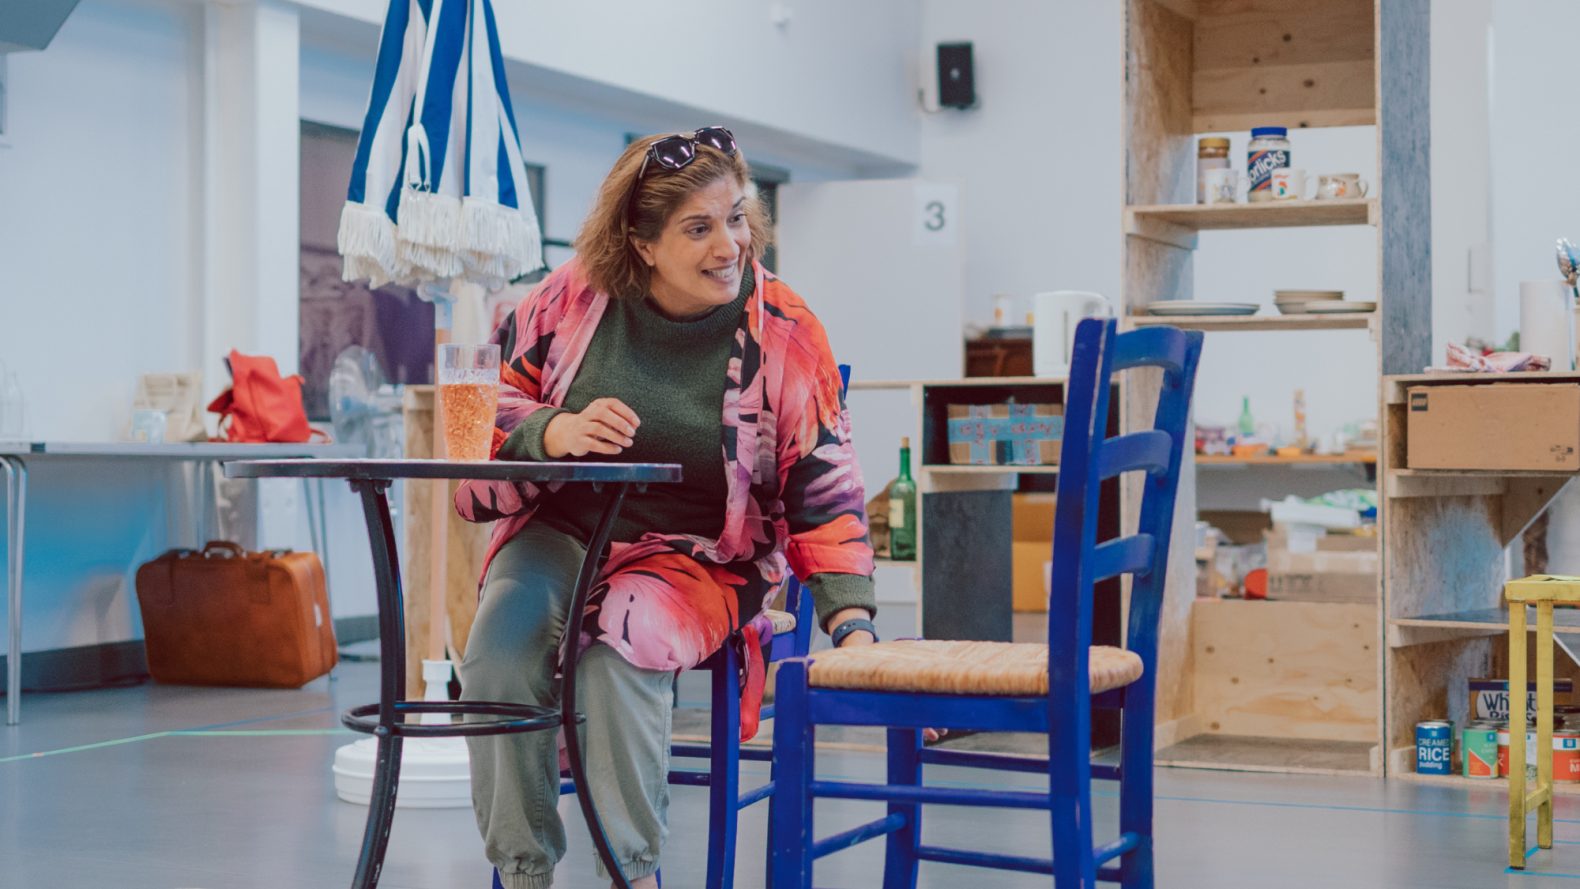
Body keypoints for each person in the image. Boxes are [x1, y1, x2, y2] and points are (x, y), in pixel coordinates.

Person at [453, 128, 878, 889]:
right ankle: (523, 874)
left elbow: (824, 482)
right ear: (641, 242)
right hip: (564, 527)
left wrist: (852, 620)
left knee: (626, 637)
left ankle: (631, 874)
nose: (730, 244)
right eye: (699, 226)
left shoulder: (785, 328)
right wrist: (554, 428)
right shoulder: (572, 293)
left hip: (699, 552)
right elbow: (494, 400)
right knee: (498, 648)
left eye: (738, 218)